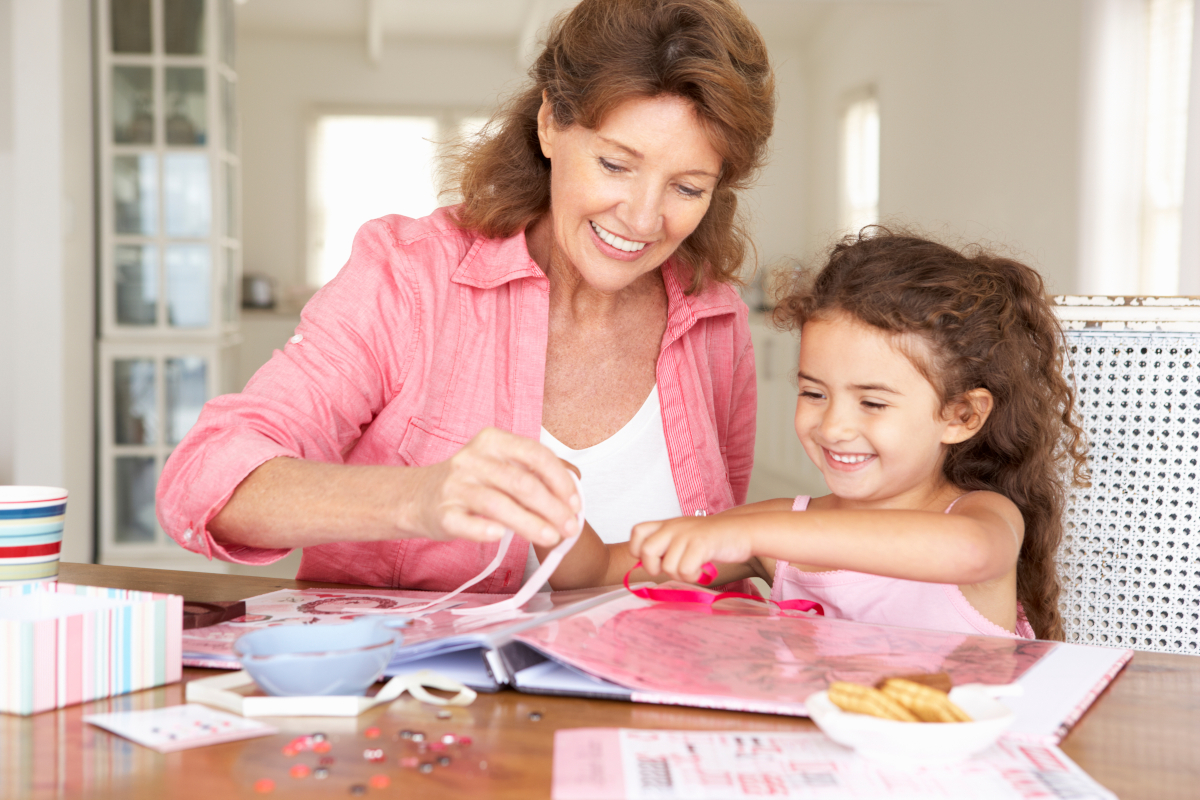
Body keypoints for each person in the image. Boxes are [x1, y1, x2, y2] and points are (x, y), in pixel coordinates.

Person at [154, 0, 775, 591]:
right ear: (550, 124)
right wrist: (417, 499)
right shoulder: (409, 277)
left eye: (687, 188)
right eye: (615, 164)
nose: (642, 219)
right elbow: (204, 480)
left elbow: (709, 561)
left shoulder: (715, 320)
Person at [548, 230, 1088, 641]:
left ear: (961, 416)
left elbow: (970, 554)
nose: (833, 426)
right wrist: (550, 511)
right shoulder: (780, 529)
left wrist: (754, 537)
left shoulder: (979, 519)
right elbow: (593, 573)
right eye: (814, 393)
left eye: (872, 402)